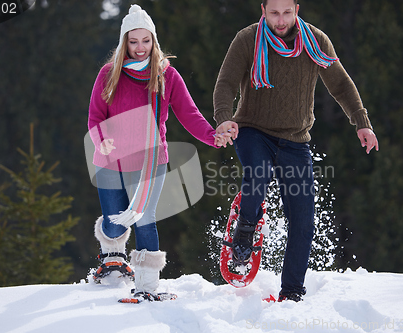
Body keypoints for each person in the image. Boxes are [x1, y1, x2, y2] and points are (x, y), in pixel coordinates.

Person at [213, 0, 379, 302]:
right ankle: (246, 230)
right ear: (263, 10)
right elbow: (225, 83)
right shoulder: (247, 38)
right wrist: (225, 118)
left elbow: (340, 85)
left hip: (296, 139)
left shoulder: (316, 41)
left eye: (286, 12)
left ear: (297, 10)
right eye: (274, 13)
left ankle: (292, 292)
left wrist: (361, 123)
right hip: (252, 130)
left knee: (303, 220)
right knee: (258, 174)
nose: (280, 20)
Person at [88, 4, 228, 299]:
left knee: (144, 217)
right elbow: (95, 117)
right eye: (134, 41)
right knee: (114, 224)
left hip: (151, 162)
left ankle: (147, 288)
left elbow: (189, 115)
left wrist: (212, 137)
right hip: (111, 161)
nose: (140, 48)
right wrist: (101, 139)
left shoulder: (167, 76)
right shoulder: (108, 74)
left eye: (146, 40)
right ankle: (112, 257)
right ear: (124, 41)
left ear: (154, 40)